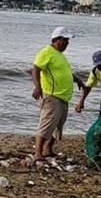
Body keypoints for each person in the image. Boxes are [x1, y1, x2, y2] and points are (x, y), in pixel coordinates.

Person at [31, 26, 83, 160]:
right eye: (65, 40)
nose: (67, 43)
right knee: (47, 123)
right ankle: (38, 152)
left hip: (63, 96)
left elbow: (65, 72)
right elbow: (36, 68)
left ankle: (48, 149)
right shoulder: (46, 52)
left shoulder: (60, 55)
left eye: (68, 40)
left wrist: (77, 80)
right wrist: (37, 86)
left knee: (58, 124)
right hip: (52, 95)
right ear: (56, 39)